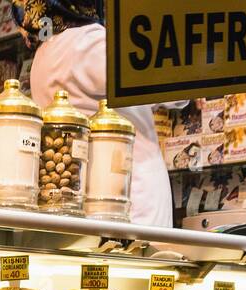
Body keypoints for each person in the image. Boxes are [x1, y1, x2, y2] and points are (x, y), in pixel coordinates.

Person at [13, 2, 177, 227]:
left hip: (90, 200)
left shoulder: (46, 52)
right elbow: (174, 89)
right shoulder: (91, 43)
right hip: (130, 200)